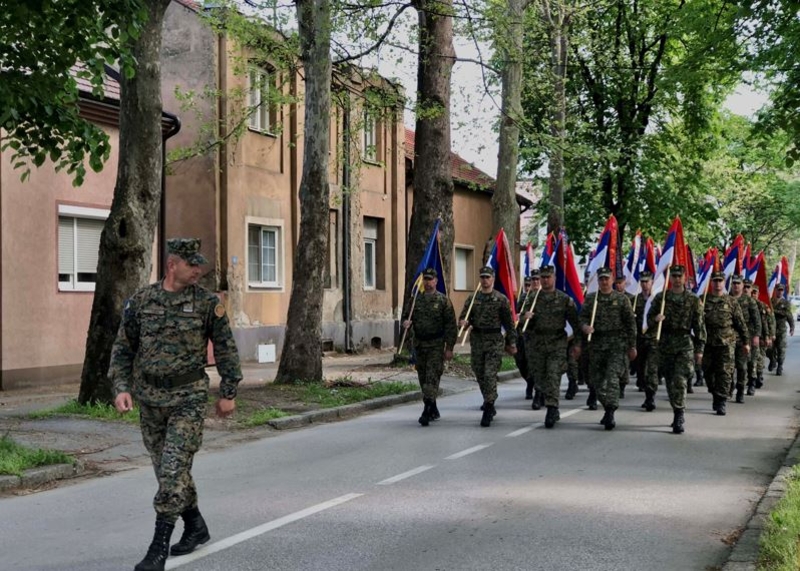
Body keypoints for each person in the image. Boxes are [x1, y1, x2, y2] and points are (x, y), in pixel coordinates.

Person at [111, 238, 243, 571]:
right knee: (168, 473)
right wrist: (121, 387)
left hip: (189, 399)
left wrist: (228, 392)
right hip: (150, 400)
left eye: (200, 264)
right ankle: (196, 525)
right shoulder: (142, 301)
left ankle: (157, 548)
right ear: (173, 264)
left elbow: (225, 348)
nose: (199, 270)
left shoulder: (206, 303)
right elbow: (123, 349)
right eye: (192, 264)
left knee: (172, 469)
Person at [647, 265, 706, 434]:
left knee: (680, 380)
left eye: (680, 276)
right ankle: (676, 407)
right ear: (670, 278)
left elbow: (700, 326)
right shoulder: (661, 298)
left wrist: (699, 349)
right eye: (674, 276)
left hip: (684, 343)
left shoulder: (693, 300)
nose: (677, 279)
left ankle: (679, 414)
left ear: (685, 277)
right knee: (670, 380)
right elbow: (648, 320)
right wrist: (656, 319)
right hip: (665, 344)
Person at [521, 265, 581, 428]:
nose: (545, 280)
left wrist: (577, 344)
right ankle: (546, 399)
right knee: (540, 378)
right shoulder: (532, 298)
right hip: (537, 344)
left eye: (548, 277)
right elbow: (521, 322)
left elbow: (576, 323)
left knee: (553, 375)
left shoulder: (564, 299)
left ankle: (552, 408)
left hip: (557, 343)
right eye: (543, 277)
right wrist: (525, 317)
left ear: (554, 278)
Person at [459, 265, 517, 427]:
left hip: (494, 341)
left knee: (490, 373)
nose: (485, 280)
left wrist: (511, 342)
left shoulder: (501, 299)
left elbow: (509, 324)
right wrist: (463, 323)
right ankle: (489, 397)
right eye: (483, 277)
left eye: (488, 277)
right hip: (477, 340)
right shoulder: (473, 299)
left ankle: (489, 406)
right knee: (479, 372)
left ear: (493, 279)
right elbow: (464, 319)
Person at [580, 267, 637, 430]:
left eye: (607, 279)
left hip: (616, 344)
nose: (604, 282)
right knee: (596, 381)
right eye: (601, 279)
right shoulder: (591, 299)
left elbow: (630, 324)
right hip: (597, 344)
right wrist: (585, 327)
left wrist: (632, 346)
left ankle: (610, 411)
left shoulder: (621, 299)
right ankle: (607, 406)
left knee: (612, 379)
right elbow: (582, 318)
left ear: (612, 280)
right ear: (598, 281)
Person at [402, 268, 457, 426]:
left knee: (432, 377)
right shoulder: (415, 301)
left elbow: (450, 326)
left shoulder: (443, 301)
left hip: (436, 345)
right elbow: (406, 317)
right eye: (425, 279)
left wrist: (449, 347)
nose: (427, 282)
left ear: (436, 281)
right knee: (423, 377)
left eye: (430, 279)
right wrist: (405, 322)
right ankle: (433, 406)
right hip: (420, 345)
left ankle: (426, 410)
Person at [702, 271, 749, 415]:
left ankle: (721, 400)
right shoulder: (703, 300)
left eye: (720, 281)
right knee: (708, 373)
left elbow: (740, 323)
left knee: (725, 373)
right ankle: (715, 393)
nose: (717, 284)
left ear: (724, 282)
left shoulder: (731, 301)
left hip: (726, 343)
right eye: (715, 281)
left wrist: (746, 341)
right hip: (708, 343)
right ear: (711, 282)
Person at [730, 276, 761, 399]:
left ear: (742, 285)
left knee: (742, 366)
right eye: (734, 283)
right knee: (728, 366)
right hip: (728, 337)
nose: (736, 286)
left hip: (745, 338)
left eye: (738, 283)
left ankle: (740, 389)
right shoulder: (727, 299)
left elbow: (756, 320)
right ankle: (729, 386)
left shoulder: (749, 301)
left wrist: (756, 336)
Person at [633, 271, 659, 411]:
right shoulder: (634, 300)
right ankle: (645, 389)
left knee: (651, 370)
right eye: (642, 281)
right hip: (638, 339)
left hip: (653, 340)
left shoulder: (658, 300)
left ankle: (650, 397)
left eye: (647, 281)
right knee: (641, 369)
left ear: (652, 283)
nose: (644, 284)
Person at [515, 274, 539, 401]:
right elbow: (518, 316)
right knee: (522, 362)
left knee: (536, 363)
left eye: (536, 279)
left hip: (541, 337)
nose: (534, 282)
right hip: (525, 335)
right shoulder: (524, 298)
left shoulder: (545, 296)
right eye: (531, 281)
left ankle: (534, 388)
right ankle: (530, 381)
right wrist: (524, 316)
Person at [751, 284, 774, 388]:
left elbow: (769, 322)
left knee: (759, 357)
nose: (753, 294)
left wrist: (769, 336)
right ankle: (751, 377)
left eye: (755, 292)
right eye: (752, 292)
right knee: (750, 359)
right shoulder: (745, 304)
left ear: (758, 294)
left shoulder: (763, 307)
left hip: (761, 337)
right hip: (749, 336)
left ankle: (758, 376)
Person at [771, 284, 795, 375]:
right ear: (775, 290)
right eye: (778, 290)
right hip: (771, 329)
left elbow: (787, 314)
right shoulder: (770, 301)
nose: (780, 291)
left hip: (781, 329)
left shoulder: (786, 303)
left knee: (781, 348)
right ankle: (772, 360)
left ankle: (780, 365)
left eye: (782, 290)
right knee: (770, 349)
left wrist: (792, 327)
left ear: (783, 291)